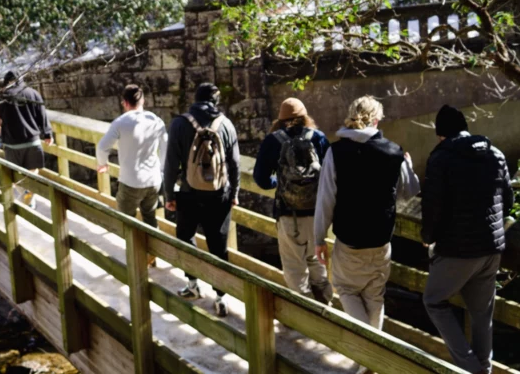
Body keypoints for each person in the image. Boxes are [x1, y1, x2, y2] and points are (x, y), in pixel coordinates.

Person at [314, 95, 420, 331]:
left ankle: (368, 354)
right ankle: (372, 356)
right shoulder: (394, 152)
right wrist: (409, 166)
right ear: (376, 120)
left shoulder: (336, 152)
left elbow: (325, 199)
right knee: (375, 297)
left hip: (349, 243)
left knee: (346, 290)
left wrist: (319, 239)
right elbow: (409, 192)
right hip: (381, 243)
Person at [421, 105, 513, 374]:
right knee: (482, 315)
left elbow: (433, 206)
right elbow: (507, 201)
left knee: (434, 301)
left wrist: (428, 237)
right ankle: (483, 368)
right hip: (492, 247)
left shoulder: (441, 158)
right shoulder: (495, 153)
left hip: (457, 251)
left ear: (441, 135)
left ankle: (472, 370)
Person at [162, 83, 240, 317]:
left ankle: (193, 285)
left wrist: (169, 195)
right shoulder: (226, 124)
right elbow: (235, 164)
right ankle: (221, 297)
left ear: (195, 99)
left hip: (188, 193)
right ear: (215, 101)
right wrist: (234, 193)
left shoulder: (179, 124)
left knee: (186, 237)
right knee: (219, 244)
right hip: (220, 194)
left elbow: (170, 164)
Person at [252, 98, 333, 303]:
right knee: (317, 265)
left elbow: (261, 179)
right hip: (317, 216)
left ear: (281, 119)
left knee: (295, 271)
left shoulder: (273, 140)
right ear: (305, 117)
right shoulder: (319, 138)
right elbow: (330, 175)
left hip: (289, 215)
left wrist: (279, 182)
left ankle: (304, 320)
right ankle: (326, 310)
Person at [96, 85, 168, 264]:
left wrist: (102, 164)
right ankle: (152, 253)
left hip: (130, 181)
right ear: (142, 101)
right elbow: (166, 146)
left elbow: (102, 146)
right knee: (150, 217)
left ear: (125, 103)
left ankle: (136, 257)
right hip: (153, 180)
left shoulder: (120, 122)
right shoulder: (156, 120)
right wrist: (161, 170)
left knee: (125, 219)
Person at [0, 70, 54, 204]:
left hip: (12, 143)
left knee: (15, 175)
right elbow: (42, 115)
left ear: (6, 82)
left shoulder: (3, 96)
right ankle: (29, 197)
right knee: (32, 171)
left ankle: (25, 195)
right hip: (32, 141)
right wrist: (48, 133)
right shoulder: (32, 93)